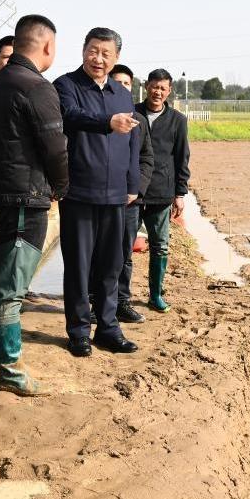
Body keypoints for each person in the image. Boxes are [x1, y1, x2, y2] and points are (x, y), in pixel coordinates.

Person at [0, 15, 68, 395]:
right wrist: (61, 186)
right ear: (46, 46)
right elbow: (55, 146)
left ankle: (3, 364)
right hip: (23, 201)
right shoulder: (36, 87)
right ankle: (11, 369)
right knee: (9, 291)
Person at [53, 27, 140, 357]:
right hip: (79, 192)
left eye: (106, 53)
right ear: (83, 50)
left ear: (117, 57)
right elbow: (71, 117)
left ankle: (108, 327)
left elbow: (132, 142)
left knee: (111, 264)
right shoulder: (67, 85)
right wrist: (107, 122)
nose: (98, 58)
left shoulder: (122, 93)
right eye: (93, 50)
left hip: (116, 194)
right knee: (78, 265)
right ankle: (78, 331)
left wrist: (132, 184)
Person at [135, 69, 190, 312]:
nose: (157, 92)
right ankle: (119, 297)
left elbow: (182, 158)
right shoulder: (133, 114)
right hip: (132, 192)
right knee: (122, 246)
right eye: (154, 86)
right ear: (147, 86)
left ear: (169, 91)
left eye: (163, 88)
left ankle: (155, 294)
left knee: (160, 246)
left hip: (161, 192)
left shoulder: (177, 120)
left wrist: (180, 193)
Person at [107, 64, 152, 324]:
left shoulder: (139, 121)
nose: (122, 88)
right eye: (117, 83)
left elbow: (146, 159)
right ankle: (94, 301)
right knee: (98, 252)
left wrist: (135, 190)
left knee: (124, 254)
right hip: (103, 197)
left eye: (126, 83)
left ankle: (121, 302)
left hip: (129, 202)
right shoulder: (100, 119)